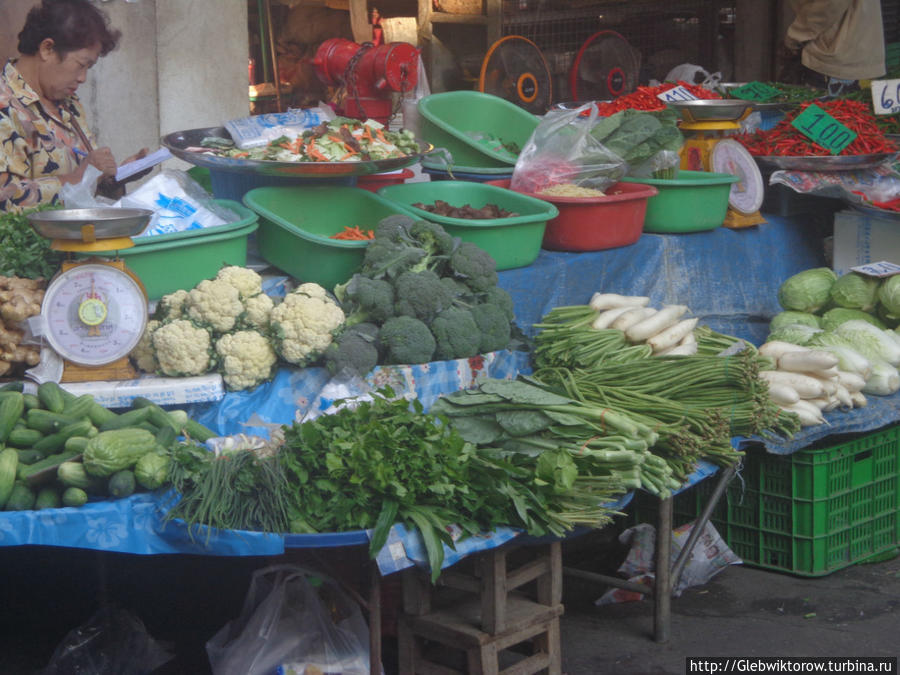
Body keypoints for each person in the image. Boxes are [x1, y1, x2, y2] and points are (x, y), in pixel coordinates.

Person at [0, 0, 148, 212]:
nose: (82, 78)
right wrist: (79, 178)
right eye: (80, 65)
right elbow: (5, 200)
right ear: (47, 49)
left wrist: (113, 178)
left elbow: (87, 192)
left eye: (89, 68)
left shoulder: (68, 104)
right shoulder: (5, 107)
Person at [778, 0, 886, 96]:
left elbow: (827, 4)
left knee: (829, 114)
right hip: (848, 50)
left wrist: (796, 35)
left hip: (835, 56)